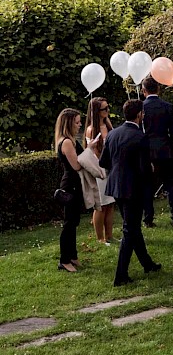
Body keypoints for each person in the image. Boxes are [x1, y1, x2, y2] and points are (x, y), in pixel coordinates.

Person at [101, 100, 161, 286]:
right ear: (139, 115)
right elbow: (144, 168)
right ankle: (120, 275)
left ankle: (147, 263)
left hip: (116, 186)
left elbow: (104, 161)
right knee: (130, 229)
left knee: (133, 227)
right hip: (133, 188)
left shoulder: (113, 134)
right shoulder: (140, 136)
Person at [141, 78, 173, 227]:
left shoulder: (141, 108)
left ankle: (148, 219)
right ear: (158, 89)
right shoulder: (168, 107)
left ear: (143, 91)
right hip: (166, 150)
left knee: (148, 186)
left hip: (148, 152)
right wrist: (172, 147)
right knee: (171, 185)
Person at [54, 108, 84, 272]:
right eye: (77, 122)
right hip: (70, 185)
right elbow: (77, 165)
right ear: (69, 123)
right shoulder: (66, 142)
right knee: (69, 224)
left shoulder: (70, 140)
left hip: (74, 184)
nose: (79, 125)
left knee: (74, 222)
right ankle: (64, 260)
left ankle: (72, 256)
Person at [83, 97, 115, 246]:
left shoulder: (108, 125)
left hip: (110, 167)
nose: (107, 111)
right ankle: (100, 238)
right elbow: (92, 152)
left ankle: (110, 235)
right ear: (96, 111)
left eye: (108, 107)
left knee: (110, 203)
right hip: (99, 169)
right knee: (101, 205)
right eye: (104, 109)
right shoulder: (91, 130)